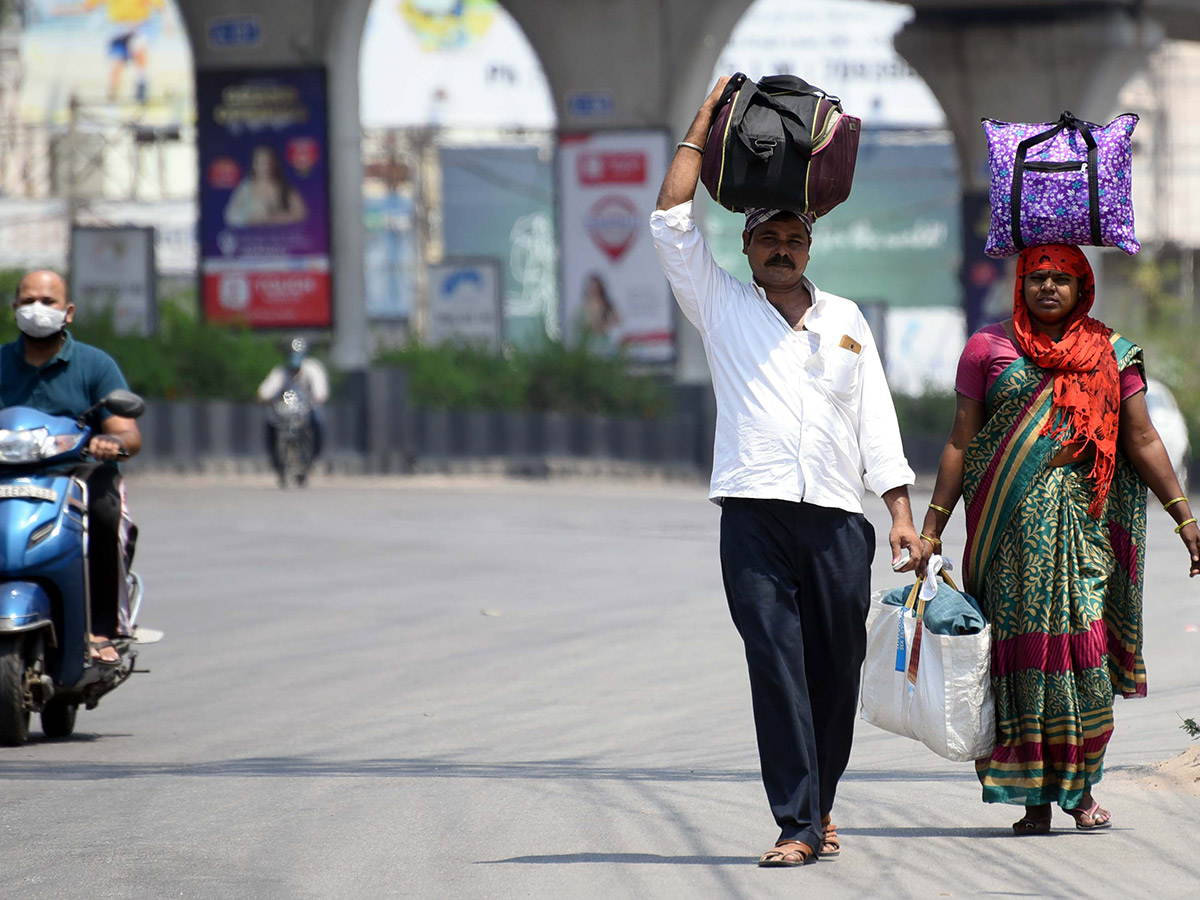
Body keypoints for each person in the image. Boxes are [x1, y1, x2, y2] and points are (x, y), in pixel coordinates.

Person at [650, 77, 922, 867]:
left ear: (810, 245)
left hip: (841, 519)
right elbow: (670, 224)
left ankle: (822, 804)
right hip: (754, 515)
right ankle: (796, 823)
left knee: (835, 673)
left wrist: (901, 514)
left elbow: (877, 419)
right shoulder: (722, 305)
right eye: (768, 236)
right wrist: (702, 120)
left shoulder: (845, 321)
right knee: (774, 662)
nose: (780, 247)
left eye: (793, 238)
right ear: (746, 244)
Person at [917, 244, 1200, 835]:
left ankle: (1081, 789)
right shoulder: (987, 349)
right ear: (1021, 284)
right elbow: (960, 443)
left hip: (1087, 535)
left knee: (1085, 657)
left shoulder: (1113, 352)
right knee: (1021, 666)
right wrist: (931, 528)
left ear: (1083, 288)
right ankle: (1035, 802)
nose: (1048, 287)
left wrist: (1185, 518)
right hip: (1007, 541)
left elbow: (1143, 439)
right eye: (1038, 277)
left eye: (1062, 279)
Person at [0, 270, 143, 665]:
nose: (36, 310)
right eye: (28, 301)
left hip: (76, 476)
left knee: (105, 512)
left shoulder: (94, 365)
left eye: (47, 302)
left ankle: (102, 627)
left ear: (69, 312)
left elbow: (128, 434)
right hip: (6, 476)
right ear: (14, 310)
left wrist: (109, 442)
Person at [257, 337, 329, 482]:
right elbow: (268, 389)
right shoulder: (281, 373)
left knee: (318, 425)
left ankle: (311, 458)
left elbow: (320, 390)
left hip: (306, 410)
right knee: (270, 426)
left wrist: (318, 397)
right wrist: (263, 397)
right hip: (285, 410)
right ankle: (278, 463)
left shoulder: (312, 369)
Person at [224, 145, 308, 227]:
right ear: (254, 165)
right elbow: (230, 217)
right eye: (260, 162)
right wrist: (249, 218)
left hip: (280, 237)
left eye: (268, 162)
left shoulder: (283, 186)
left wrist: (275, 218)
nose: (265, 166)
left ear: (274, 163)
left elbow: (301, 214)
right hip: (252, 238)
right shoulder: (246, 188)